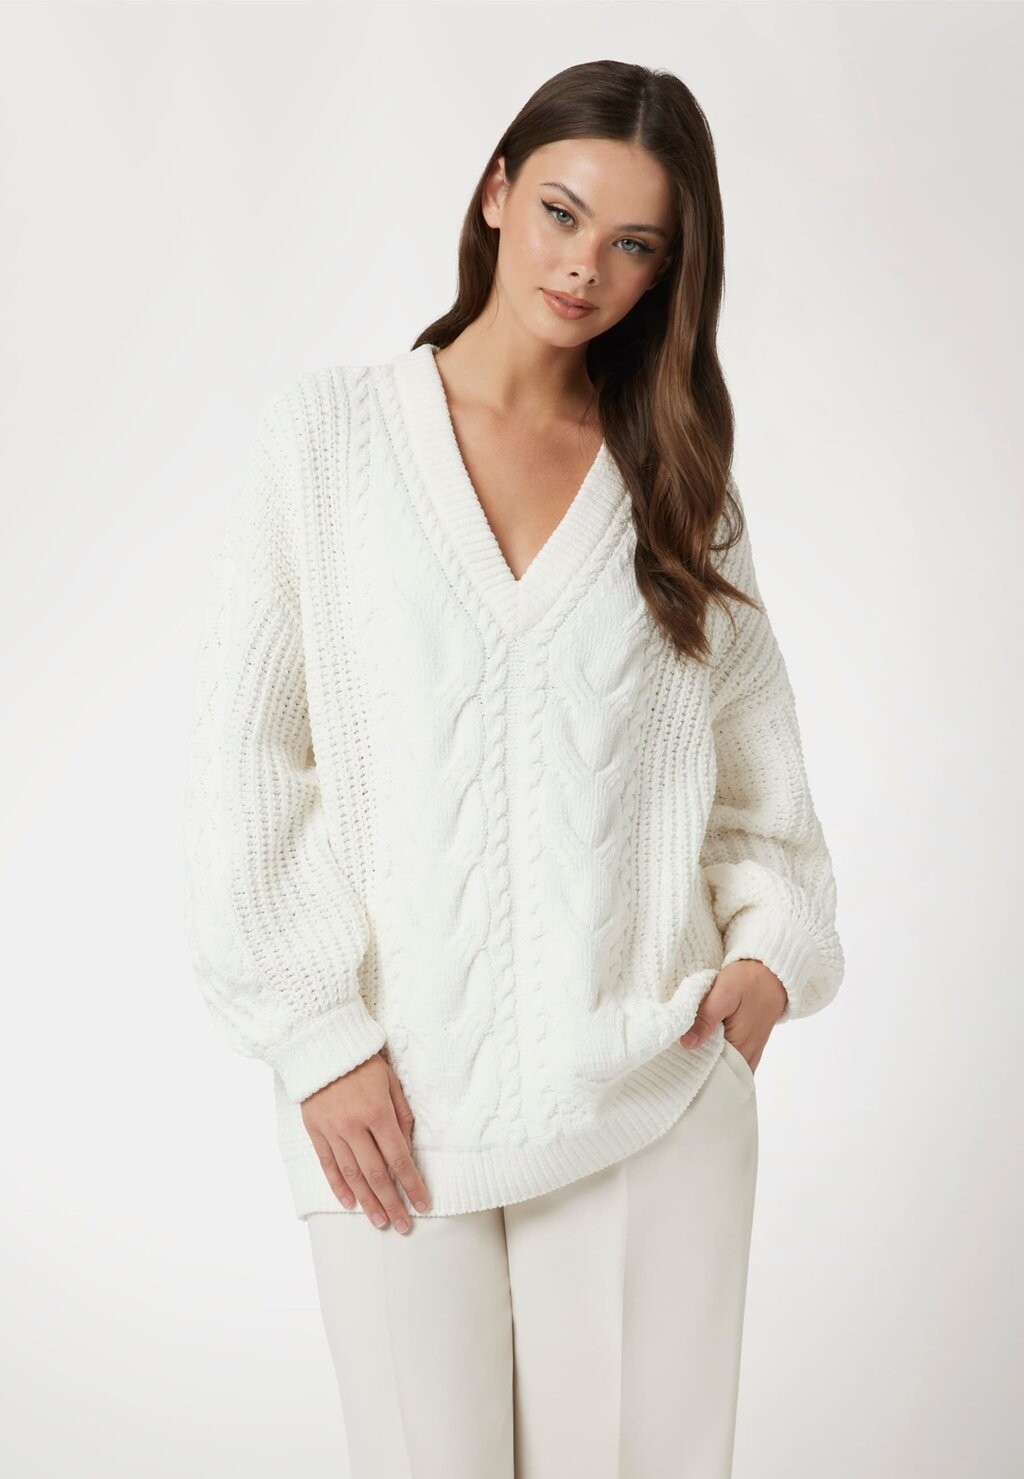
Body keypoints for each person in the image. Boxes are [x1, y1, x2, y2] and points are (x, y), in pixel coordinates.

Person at [183, 58, 844, 1479]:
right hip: (389, 1113)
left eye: (634, 243)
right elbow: (249, 763)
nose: (584, 266)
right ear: (495, 193)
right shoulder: (329, 441)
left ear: (669, 271)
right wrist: (318, 1037)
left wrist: (767, 962)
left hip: (652, 1095)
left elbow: (761, 789)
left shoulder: (678, 484)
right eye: (560, 211)